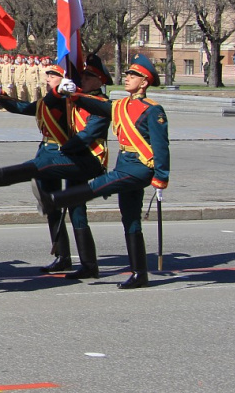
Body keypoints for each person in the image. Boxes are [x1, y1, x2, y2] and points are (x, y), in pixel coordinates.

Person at [0, 55, 111, 278]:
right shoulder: (64, 98)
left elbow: (88, 133)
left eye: (53, 75)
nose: (48, 78)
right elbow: (27, 107)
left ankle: (89, 263)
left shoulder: (79, 101)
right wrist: (0, 97)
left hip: (78, 157)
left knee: (77, 210)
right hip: (53, 152)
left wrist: (65, 149)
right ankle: (62, 256)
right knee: (51, 204)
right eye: (49, 75)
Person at [33, 54, 170, 289]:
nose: (127, 78)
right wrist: (72, 94)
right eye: (127, 74)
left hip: (139, 167)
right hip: (124, 164)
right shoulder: (120, 105)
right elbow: (95, 104)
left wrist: (161, 176)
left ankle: (53, 199)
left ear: (145, 82)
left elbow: (160, 145)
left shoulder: (153, 110)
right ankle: (140, 273)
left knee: (97, 186)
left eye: (133, 75)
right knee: (130, 219)